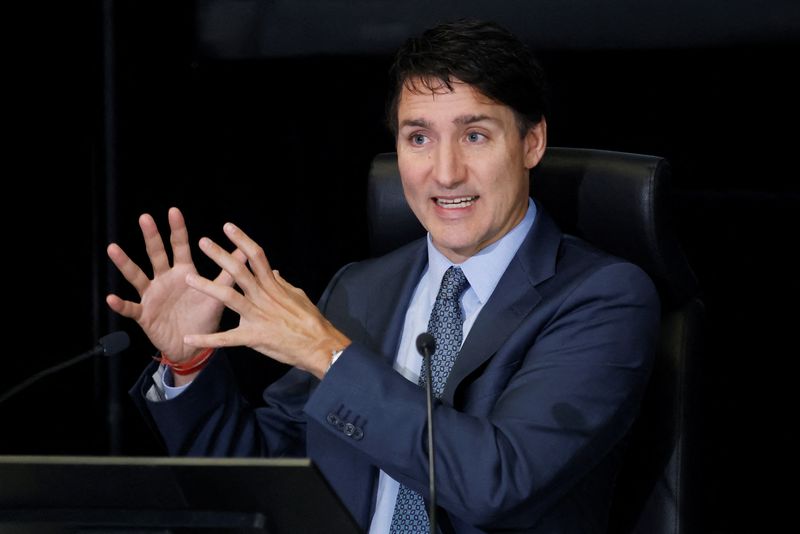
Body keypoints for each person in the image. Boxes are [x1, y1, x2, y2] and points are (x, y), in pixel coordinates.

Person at [107, 19, 660, 533]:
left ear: (532, 142)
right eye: (418, 138)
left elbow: (500, 482)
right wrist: (190, 362)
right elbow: (266, 473)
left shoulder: (603, 298)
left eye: (474, 135)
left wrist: (328, 354)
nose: (445, 173)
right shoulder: (361, 289)